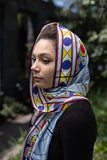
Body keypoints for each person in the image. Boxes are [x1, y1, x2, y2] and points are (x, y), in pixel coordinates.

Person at [20, 22, 97, 160]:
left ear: (67, 67)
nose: (34, 67)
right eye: (34, 59)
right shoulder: (48, 105)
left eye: (45, 60)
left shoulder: (77, 117)